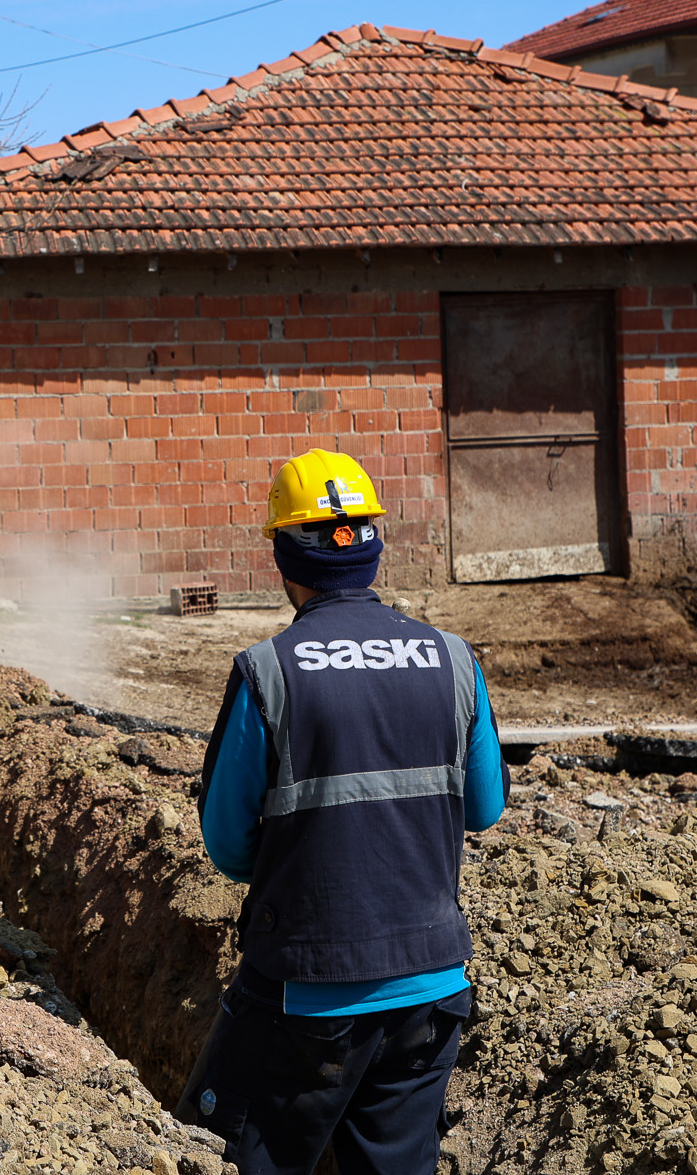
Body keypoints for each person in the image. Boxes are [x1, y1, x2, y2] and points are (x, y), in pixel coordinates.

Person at [175, 449, 507, 1175]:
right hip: (433, 988)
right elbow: (486, 807)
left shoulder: (268, 670)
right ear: (373, 549)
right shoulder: (455, 659)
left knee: (231, 1157)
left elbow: (229, 844)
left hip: (308, 994)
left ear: (281, 555)